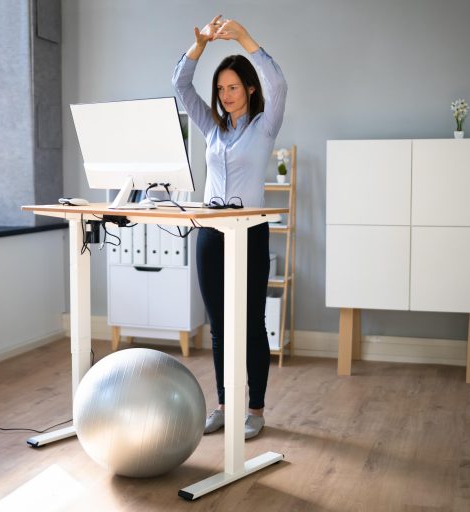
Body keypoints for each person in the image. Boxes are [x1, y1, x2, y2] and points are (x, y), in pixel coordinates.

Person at [172, 16, 287, 439]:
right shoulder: (212, 128)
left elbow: (280, 85)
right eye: (220, 89)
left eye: (233, 87)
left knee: (251, 324)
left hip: (249, 233)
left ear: (249, 89)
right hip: (211, 233)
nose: (225, 95)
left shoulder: (264, 126)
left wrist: (243, 38)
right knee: (219, 326)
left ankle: (254, 410)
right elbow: (181, 87)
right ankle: (224, 405)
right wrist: (199, 47)